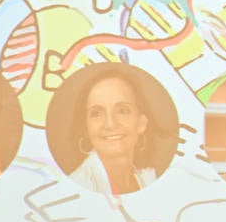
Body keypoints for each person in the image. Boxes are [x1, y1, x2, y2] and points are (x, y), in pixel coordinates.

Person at [67, 67, 162, 195]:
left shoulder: (150, 179)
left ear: (141, 123)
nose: (110, 124)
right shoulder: (75, 188)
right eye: (97, 113)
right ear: (86, 127)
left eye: (123, 111)